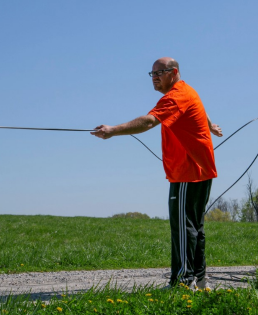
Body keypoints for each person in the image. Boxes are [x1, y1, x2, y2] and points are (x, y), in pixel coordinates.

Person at [91, 57, 222, 290]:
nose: (155, 77)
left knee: (183, 227)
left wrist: (112, 130)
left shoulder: (175, 96)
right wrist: (210, 124)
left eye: (160, 72)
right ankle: (199, 281)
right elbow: (201, 108)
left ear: (175, 72)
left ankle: (182, 283)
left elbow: (149, 121)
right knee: (194, 227)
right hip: (201, 170)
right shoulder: (187, 92)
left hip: (187, 171)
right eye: (152, 74)